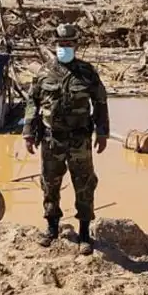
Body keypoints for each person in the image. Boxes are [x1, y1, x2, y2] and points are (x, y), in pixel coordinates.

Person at [22, 24, 109, 254]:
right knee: (50, 184)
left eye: (69, 44)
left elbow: (100, 101)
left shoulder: (87, 72)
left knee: (85, 185)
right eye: (61, 44)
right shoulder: (44, 72)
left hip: (80, 140)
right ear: (55, 45)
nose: (65, 48)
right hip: (52, 140)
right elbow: (32, 102)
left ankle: (84, 233)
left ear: (76, 45)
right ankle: (52, 227)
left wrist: (102, 132)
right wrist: (28, 133)